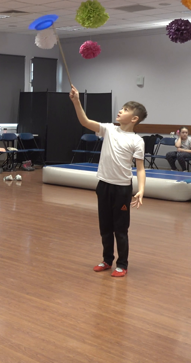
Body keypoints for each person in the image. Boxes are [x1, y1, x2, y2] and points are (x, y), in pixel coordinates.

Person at [70, 86, 147, 278]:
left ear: (134, 118)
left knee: (120, 229)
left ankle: (122, 264)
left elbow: (140, 168)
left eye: (125, 110)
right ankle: (106, 260)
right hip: (103, 185)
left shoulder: (137, 141)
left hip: (122, 189)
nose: (120, 111)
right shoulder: (109, 129)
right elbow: (85, 121)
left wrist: (141, 190)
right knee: (105, 227)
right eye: (121, 108)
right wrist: (76, 101)